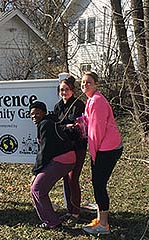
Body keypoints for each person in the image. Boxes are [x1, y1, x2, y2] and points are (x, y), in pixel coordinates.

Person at [80, 71, 123, 235]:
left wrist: (94, 154)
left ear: (96, 84)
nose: (85, 85)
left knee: (99, 186)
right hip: (102, 147)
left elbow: (96, 131)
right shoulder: (91, 100)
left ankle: (104, 225)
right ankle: (99, 218)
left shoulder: (97, 101)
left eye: (88, 82)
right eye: (83, 82)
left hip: (108, 148)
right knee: (98, 184)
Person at [29, 101, 76, 230]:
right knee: (36, 189)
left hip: (63, 159)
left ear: (44, 112)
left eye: (37, 113)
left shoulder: (45, 124)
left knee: (37, 189)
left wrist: (35, 172)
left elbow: (44, 151)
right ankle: (49, 219)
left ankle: (52, 221)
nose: (34, 116)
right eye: (31, 114)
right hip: (64, 158)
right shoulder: (46, 123)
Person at [53, 73, 87, 225]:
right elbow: (55, 127)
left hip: (77, 147)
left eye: (66, 89)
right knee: (65, 179)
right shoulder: (58, 106)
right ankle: (69, 210)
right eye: (61, 90)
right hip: (64, 148)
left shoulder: (79, 105)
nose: (64, 93)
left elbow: (78, 128)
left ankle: (76, 213)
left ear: (72, 90)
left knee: (73, 179)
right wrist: (66, 127)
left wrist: (65, 127)